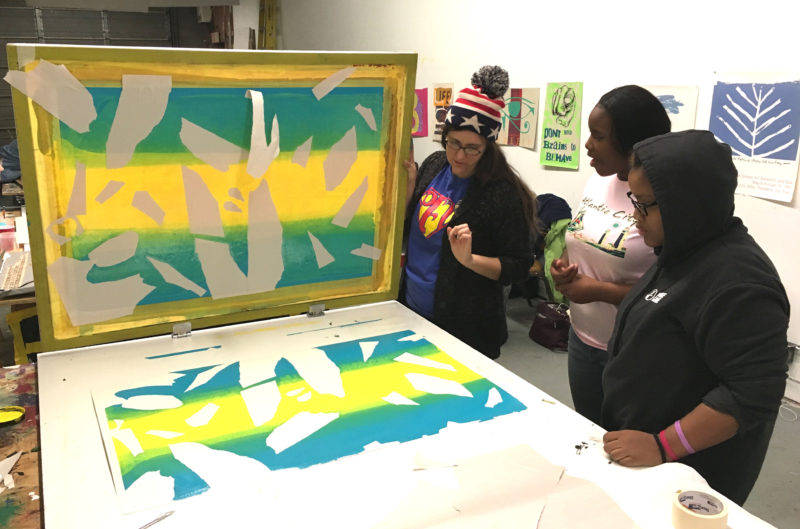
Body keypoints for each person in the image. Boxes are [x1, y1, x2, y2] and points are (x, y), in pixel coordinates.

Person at [601, 130, 789, 505]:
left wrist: (661, 446)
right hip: (645, 453)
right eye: (633, 201)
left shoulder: (741, 282)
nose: (634, 217)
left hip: (689, 470)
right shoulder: (682, 247)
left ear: (686, 205)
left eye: (645, 205)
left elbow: (752, 394)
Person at [550, 85, 671, 424]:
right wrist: (567, 271)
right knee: (590, 433)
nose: (587, 144)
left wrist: (598, 291)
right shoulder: (598, 181)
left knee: (628, 448)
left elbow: (674, 293)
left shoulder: (661, 199)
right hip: (583, 338)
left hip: (633, 353)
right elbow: (584, 240)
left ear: (632, 143)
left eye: (598, 136)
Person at [401, 65, 536, 359]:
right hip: (411, 309)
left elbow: (518, 265)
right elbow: (416, 230)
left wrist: (470, 260)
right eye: (454, 143)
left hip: (463, 326)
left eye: (472, 148)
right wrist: (411, 189)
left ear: (489, 146)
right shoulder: (435, 164)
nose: (459, 156)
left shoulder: (502, 193)